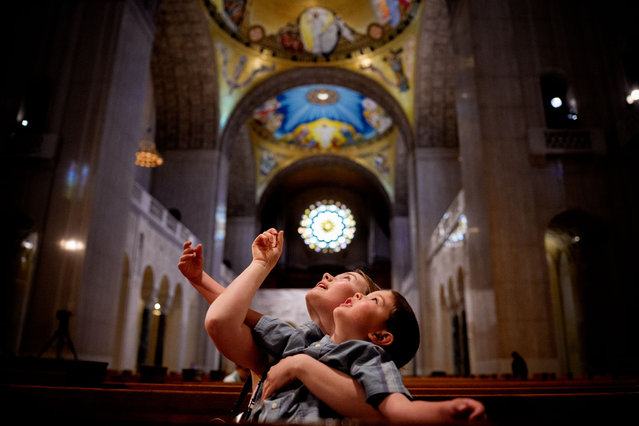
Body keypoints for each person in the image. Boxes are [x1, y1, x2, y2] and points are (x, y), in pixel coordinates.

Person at [205, 228, 486, 424]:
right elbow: (237, 315)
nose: (328, 275)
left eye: (367, 296)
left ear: (379, 335)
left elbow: (398, 409)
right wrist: (202, 279)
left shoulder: (366, 355)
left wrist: (446, 410)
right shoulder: (300, 339)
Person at [179, 234, 384, 419]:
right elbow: (223, 320)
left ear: (358, 301)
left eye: (346, 278)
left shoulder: (367, 363)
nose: (327, 275)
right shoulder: (285, 344)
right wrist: (260, 263)